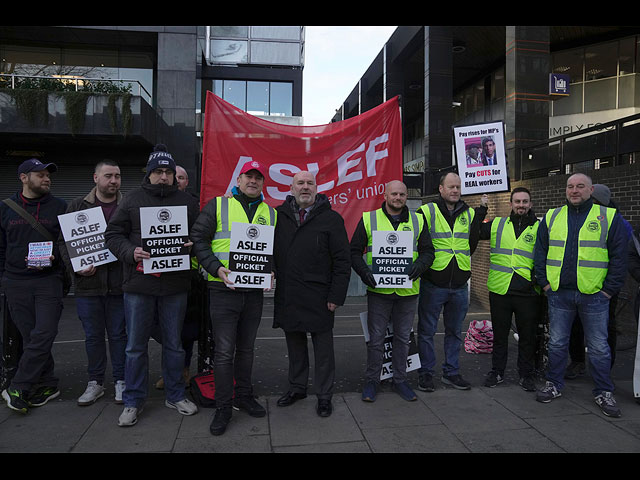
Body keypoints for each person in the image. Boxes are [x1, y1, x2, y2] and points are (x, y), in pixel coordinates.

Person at [105, 144, 200, 427]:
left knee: (174, 344)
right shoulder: (132, 200)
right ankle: (133, 401)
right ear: (149, 174)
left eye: (167, 172)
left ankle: (175, 394)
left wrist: (194, 245)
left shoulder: (188, 202)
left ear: (174, 175)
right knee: (135, 346)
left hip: (175, 285)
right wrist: (130, 252)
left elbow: (200, 236)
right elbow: (112, 235)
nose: (162, 176)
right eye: (157, 171)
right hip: (139, 285)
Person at [191, 160, 276, 436]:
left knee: (247, 349)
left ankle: (244, 395)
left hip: (253, 293)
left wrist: (271, 271)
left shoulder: (270, 213)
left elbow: (271, 251)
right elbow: (198, 240)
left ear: (263, 183)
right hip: (222, 289)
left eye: (258, 178)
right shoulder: (218, 205)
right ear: (238, 180)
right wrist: (215, 268)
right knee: (225, 352)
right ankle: (223, 406)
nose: (253, 181)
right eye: (248, 176)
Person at [533, 173, 627, 418]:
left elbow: (620, 257)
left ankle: (604, 391)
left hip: (595, 295)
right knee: (556, 343)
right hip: (559, 294)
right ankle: (554, 384)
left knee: (598, 347)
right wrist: (544, 284)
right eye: (570, 186)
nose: (574, 190)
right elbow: (540, 252)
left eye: (580, 186)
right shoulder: (553, 216)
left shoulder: (608, 217)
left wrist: (609, 290)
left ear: (591, 189)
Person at [273, 171, 351, 417]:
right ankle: (297, 387)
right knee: (294, 345)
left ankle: (324, 395)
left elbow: (342, 261)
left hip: (320, 295)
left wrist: (336, 296)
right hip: (289, 293)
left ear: (316, 188)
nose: (305, 187)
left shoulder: (331, 219)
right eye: (300, 183)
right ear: (291, 187)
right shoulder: (278, 216)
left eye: (309, 183)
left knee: (323, 350)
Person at [351, 180, 433, 403]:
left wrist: (420, 266)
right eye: (394, 194)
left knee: (403, 338)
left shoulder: (417, 220)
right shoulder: (369, 219)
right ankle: (372, 381)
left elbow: (428, 252)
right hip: (379, 291)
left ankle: (400, 380)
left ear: (407, 196)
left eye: (402, 194)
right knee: (376, 340)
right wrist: (364, 273)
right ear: (385, 195)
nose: (398, 198)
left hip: (408, 292)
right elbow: (354, 252)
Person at [0, 158, 68, 413]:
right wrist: (3, 278)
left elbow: (67, 245)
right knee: (31, 337)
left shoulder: (61, 207)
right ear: (23, 178)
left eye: (48, 175)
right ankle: (48, 382)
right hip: (15, 282)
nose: (47, 178)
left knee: (44, 333)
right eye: (40, 175)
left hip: (48, 281)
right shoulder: (6, 208)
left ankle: (18, 385)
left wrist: (56, 258)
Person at [58, 160, 127, 406]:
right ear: (95, 178)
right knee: (93, 337)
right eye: (108, 175)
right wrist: (76, 270)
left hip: (119, 285)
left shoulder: (126, 205)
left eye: (117, 176)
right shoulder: (77, 206)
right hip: (88, 287)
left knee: (120, 336)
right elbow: (64, 243)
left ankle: (121, 380)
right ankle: (95, 382)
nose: (114, 181)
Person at [415, 172, 488, 392]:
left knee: (455, 333)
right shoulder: (426, 211)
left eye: (458, 187)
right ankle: (426, 374)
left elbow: (472, 243)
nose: (455, 190)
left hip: (458, 285)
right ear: (441, 189)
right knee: (426, 332)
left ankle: (451, 373)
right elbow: (418, 242)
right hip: (433, 283)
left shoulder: (469, 213)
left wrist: (482, 209)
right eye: (451, 187)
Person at [565, 183, 633, 378]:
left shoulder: (616, 222)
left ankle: (604, 369)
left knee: (605, 328)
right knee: (576, 324)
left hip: (603, 287)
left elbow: (621, 258)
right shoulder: (580, 216)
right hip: (580, 283)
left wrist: (609, 288)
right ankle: (578, 362)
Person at [479, 186, 541, 392]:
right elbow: (474, 231)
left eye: (525, 202)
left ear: (530, 204)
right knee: (499, 336)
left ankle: (526, 374)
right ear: (511, 204)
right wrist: (482, 208)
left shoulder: (540, 227)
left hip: (528, 291)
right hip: (500, 290)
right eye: (517, 201)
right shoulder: (497, 224)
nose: (521, 205)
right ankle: (497, 372)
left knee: (527, 336)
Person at [154, 164, 200, 389]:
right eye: (176, 177)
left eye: (182, 178)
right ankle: (168, 371)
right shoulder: (158, 202)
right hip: (159, 274)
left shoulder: (194, 205)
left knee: (187, 331)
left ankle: (184, 370)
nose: (178, 181)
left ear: (186, 182)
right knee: (165, 329)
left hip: (189, 274)